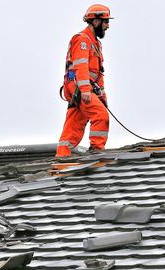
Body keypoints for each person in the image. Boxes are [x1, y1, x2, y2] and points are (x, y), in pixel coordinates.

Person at [56, 4, 112, 158]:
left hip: (82, 89)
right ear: (95, 21)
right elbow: (81, 66)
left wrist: (102, 97)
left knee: (73, 126)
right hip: (79, 89)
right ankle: (97, 150)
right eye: (106, 21)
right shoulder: (82, 39)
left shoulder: (95, 43)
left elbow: (98, 73)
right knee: (101, 115)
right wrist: (86, 90)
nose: (107, 26)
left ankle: (62, 158)